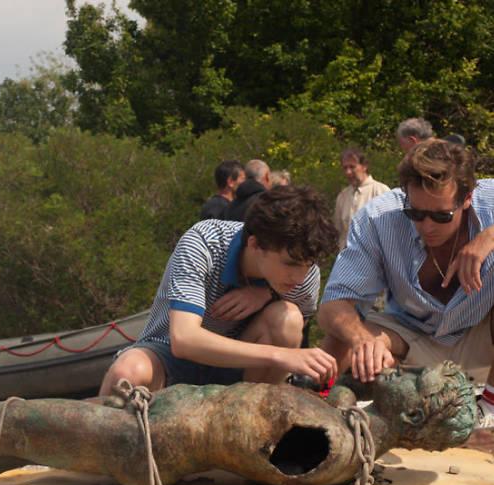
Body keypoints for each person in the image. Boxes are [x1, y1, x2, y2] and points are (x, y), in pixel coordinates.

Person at [0, 361, 474, 485]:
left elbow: (290, 464)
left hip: (141, 444)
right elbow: (346, 398)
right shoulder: (352, 425)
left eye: (412, 380)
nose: (399, 371)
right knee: (10, 447)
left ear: (418, 417)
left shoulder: (333, 445)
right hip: (149, 424)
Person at [99, 185, 338, 396]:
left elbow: (295, 330)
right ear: (255, 244)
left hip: (238, 370)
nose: (299, 278)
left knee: (288, 319)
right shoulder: (203, 243)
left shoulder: (305, 271)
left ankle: (254, 424)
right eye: (290, 264)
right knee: (128, 371)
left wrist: (266, 293)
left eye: (308, 266)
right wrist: (279, 355)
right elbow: (183, 339)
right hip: (170, 357)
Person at [317, 139, 494, 425]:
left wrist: (490, 236)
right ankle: (318, 411)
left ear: (467, 198)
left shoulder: (491, 201)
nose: (427, 226)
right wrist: (363, 341)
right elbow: (332, 305)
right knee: (343, 333)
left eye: (441, 215)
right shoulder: (377, 218)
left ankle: (490, 407)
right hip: (413, 335)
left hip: (480, 337)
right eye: (416, 213)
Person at [334, 147, 390, 251]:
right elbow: (339, 232)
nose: (348, 172)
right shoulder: (342, 196)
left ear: (364, 166)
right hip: (348, 259)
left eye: (352, 167)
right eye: (345, 168)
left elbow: (390, 230)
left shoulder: (381, 191)